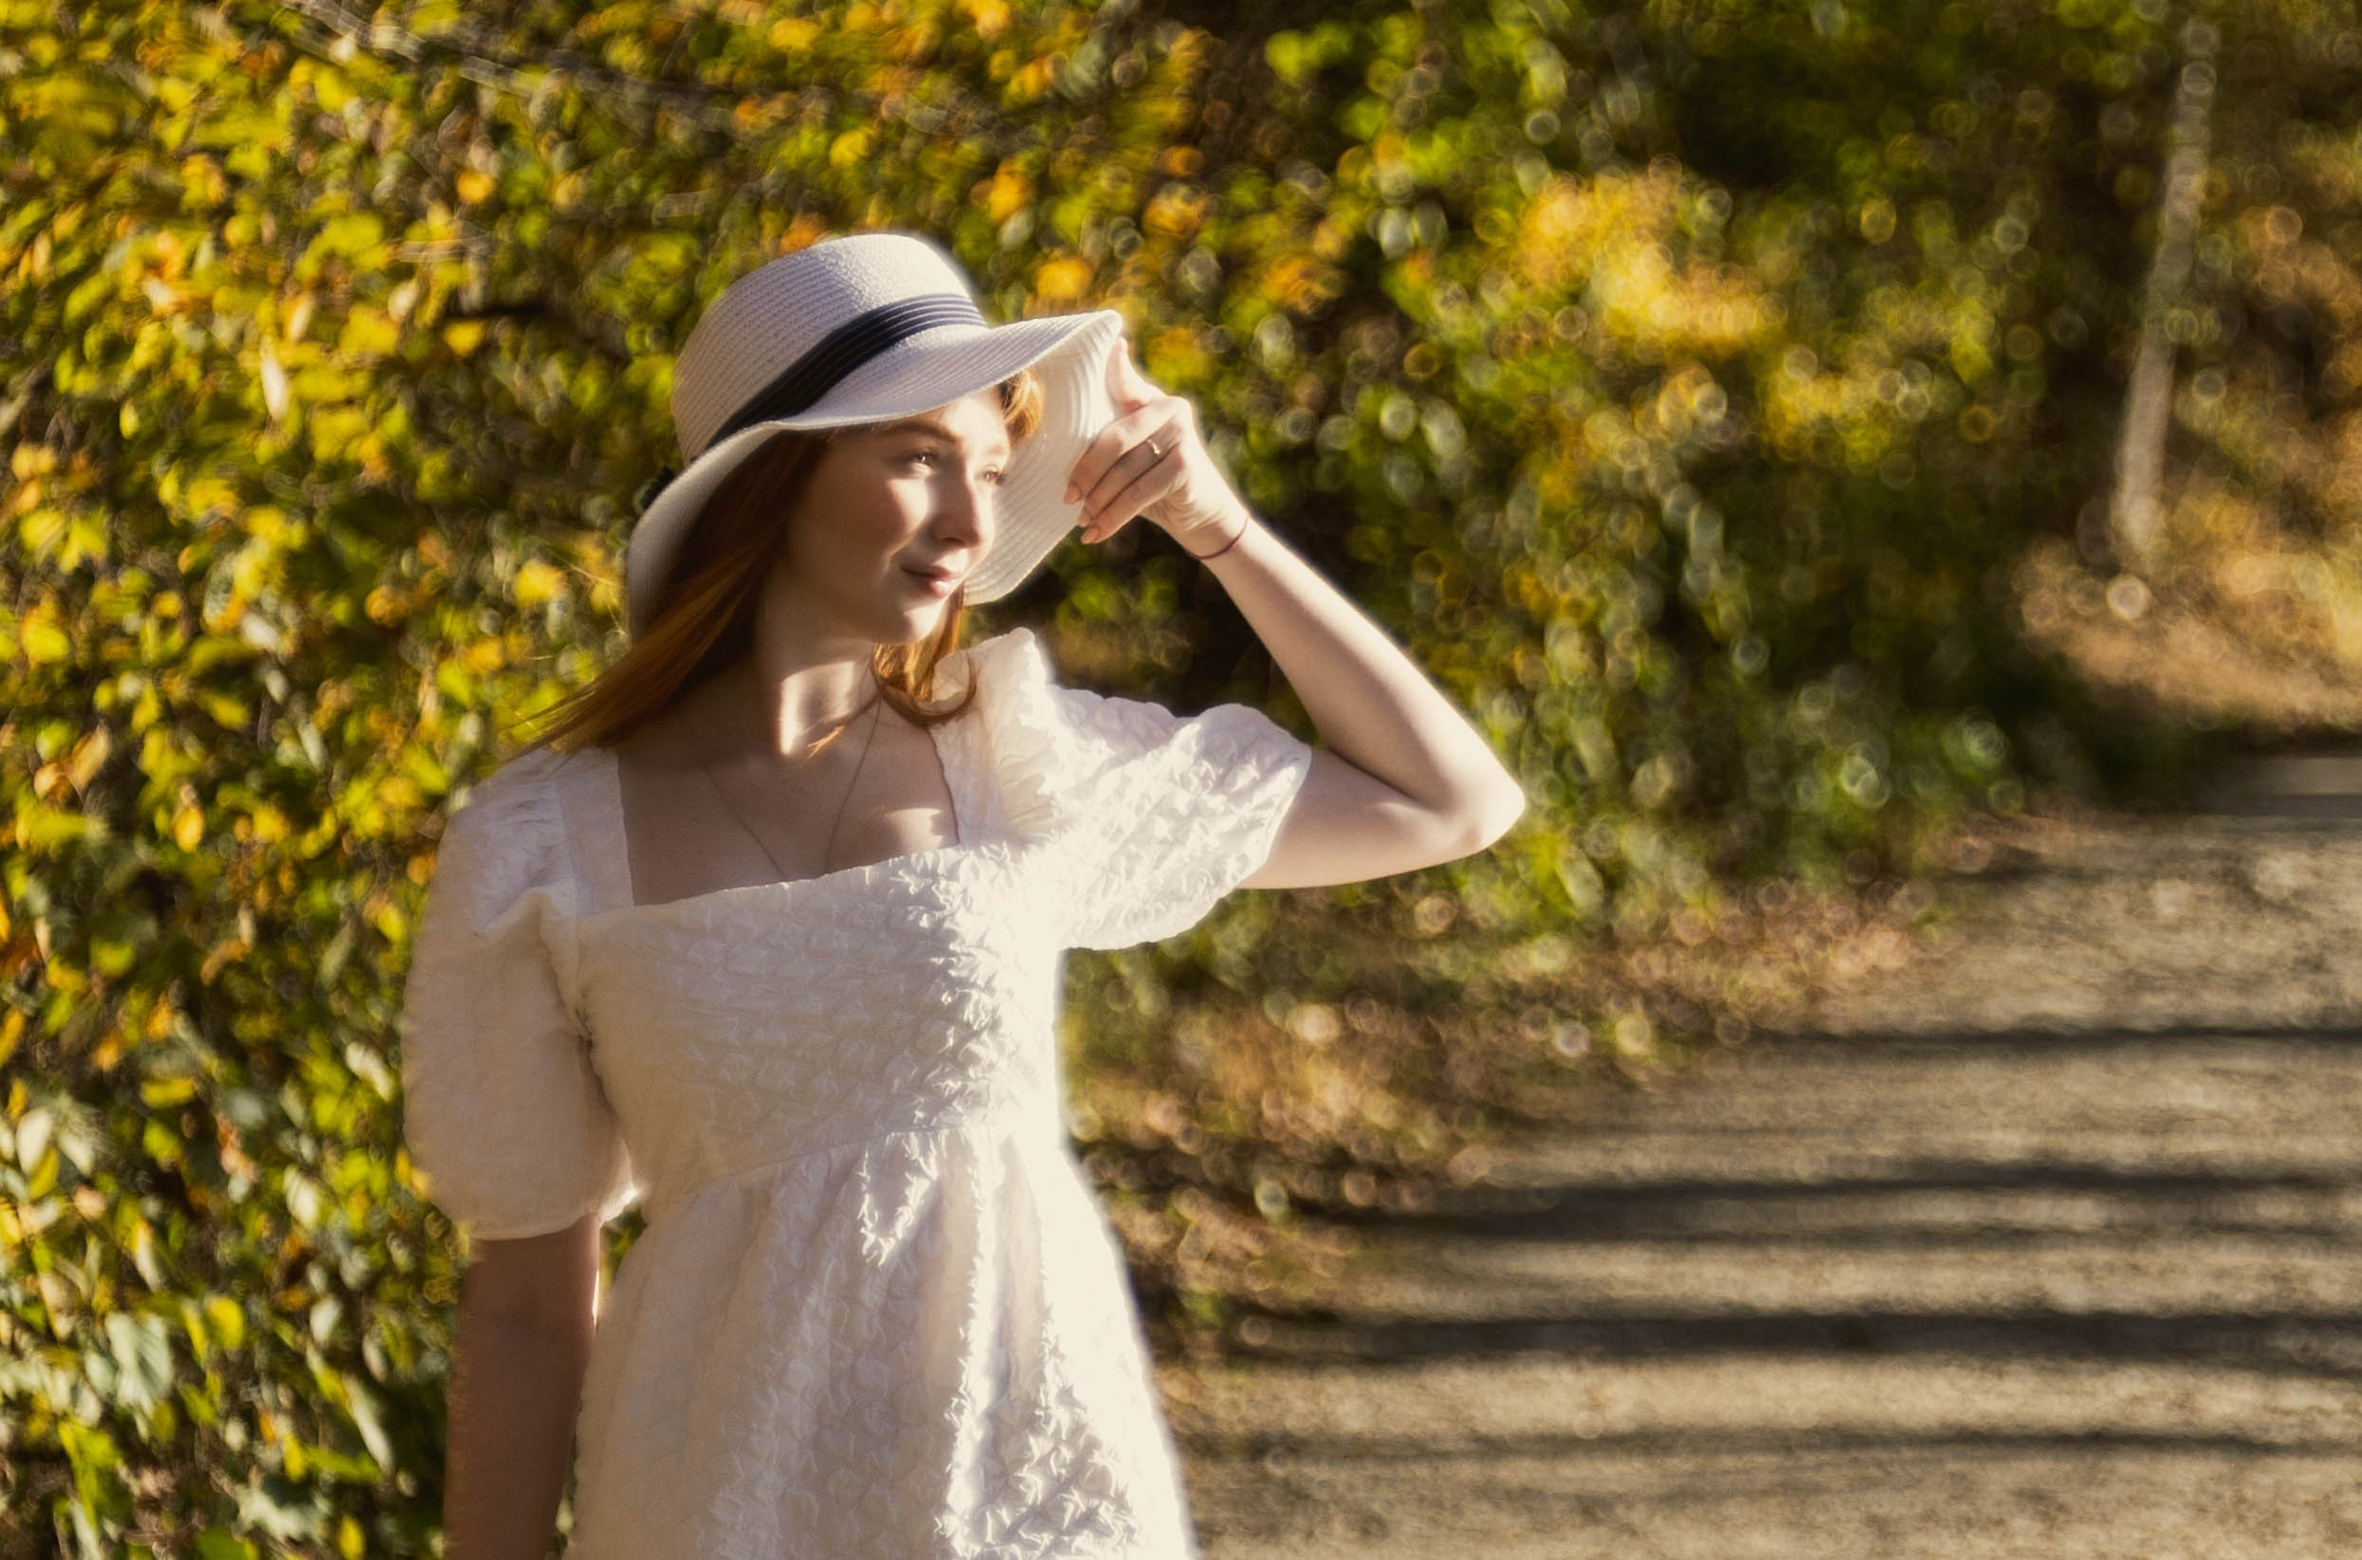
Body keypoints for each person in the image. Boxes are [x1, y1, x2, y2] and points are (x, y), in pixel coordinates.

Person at [398, 229, 1525, 1559]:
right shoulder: (540, 844)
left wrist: (1214, 527)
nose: (973, 525)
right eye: (918, 457)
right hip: (711, 1508)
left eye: (991, 470)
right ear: (775, 478)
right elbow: (529, 1303)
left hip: (1034, 1497)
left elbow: (1449, 801)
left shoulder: (1018, 756)